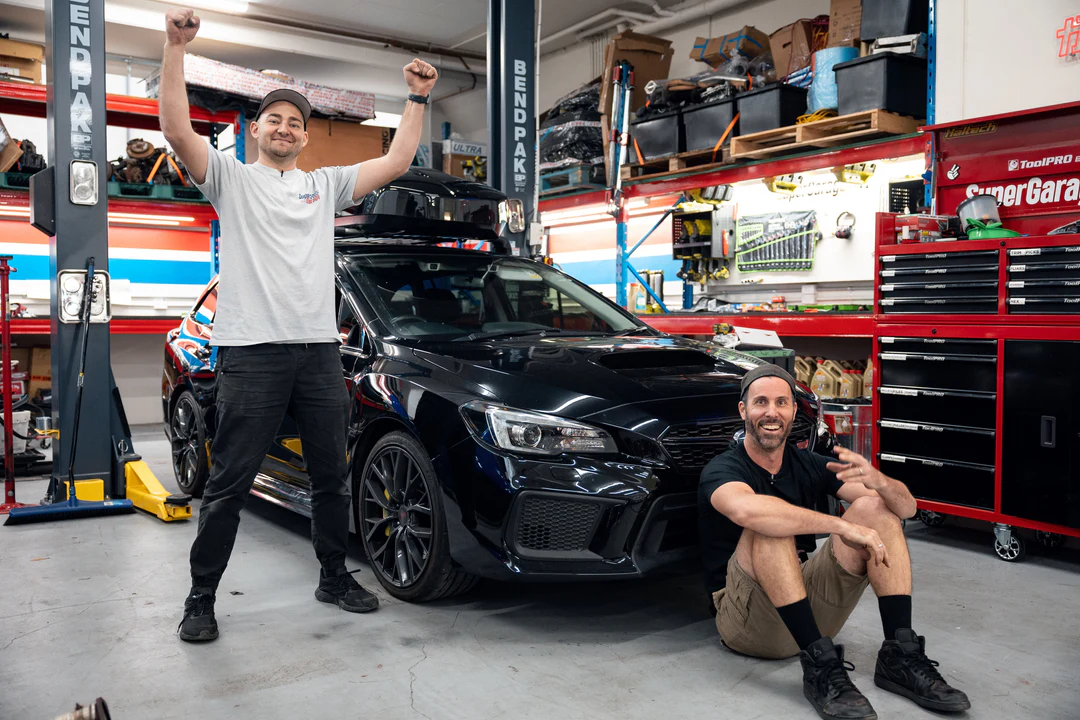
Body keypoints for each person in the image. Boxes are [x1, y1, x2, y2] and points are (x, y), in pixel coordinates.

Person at [159, 7, 439, 642]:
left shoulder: (325, 186)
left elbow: (395, 159)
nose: (285, 129)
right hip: (250, 353)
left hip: (317, 352)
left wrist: (417, 98)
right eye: (275, 120)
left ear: (306, 138)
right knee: (228, 481)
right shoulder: (229, 178)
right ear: (256, 130)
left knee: (329, 474)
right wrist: (175, 48)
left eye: (295, 123)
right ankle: (201, 597)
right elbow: (175, 129)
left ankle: (333, 574)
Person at [698, 365, 970, 720]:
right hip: (747, 622)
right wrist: (841, 526)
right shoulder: (723, 469)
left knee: (875, 505)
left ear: (794, 411)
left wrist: (881, 481)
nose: (771, 412)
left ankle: (900, 654)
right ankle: (821, 667)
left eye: (782, 402)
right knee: (770, 523)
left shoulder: (807, 463)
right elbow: (750, 512)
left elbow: (907, 508)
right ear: (743, 410)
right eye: (760, 402)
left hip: (807, 607)